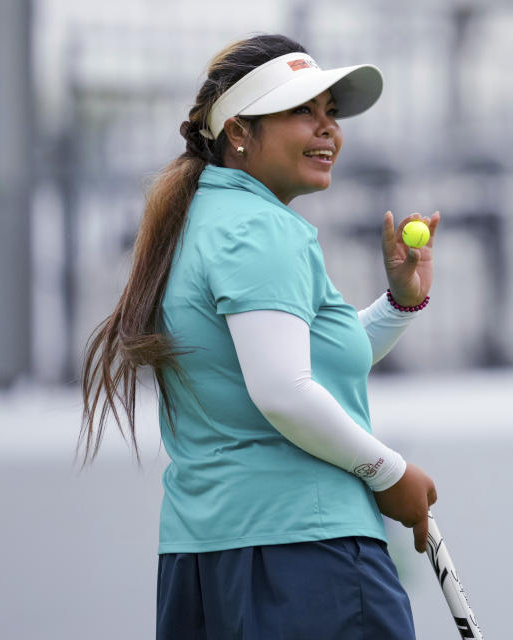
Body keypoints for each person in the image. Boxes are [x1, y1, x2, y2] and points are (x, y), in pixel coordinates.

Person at [78, 33, 441, 640]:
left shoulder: (205, 218)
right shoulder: (262, 229)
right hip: (304, 558)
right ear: (240, 131)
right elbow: (284, 391)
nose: (328, 130)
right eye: (303, 110)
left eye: (331, 113)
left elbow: (293, 366)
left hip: (210, 560)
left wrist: (401, 304)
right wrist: (390, 474)